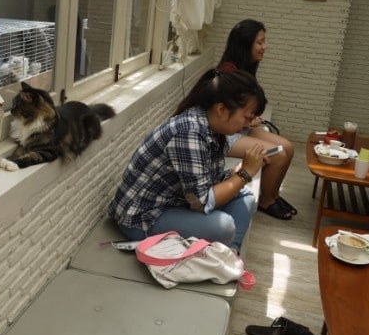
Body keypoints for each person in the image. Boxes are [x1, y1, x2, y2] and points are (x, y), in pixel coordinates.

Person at [108, 69, 268, 252]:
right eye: (246, 118)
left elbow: (205, 182)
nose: (247, 125)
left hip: (175, 202)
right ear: (222, 110)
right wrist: (244, 174)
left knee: (245, 197)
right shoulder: (189, 132)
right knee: (224, 226)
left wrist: (233, 174)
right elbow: (201, 202)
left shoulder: (211, 128)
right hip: (141, 217)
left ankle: (230, 254)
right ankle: (223, 252)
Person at [217, 19, 296, 220]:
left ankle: (273, 195)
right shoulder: (228, 72)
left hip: (239, 127)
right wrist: (247, 119)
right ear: (246, 44)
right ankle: (266, 202)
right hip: (225, 134)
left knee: (287, 146)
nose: (264, 47)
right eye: (260, 42)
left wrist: (248, 118)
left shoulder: (245, 68)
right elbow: (221, 118)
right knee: (277, 155)